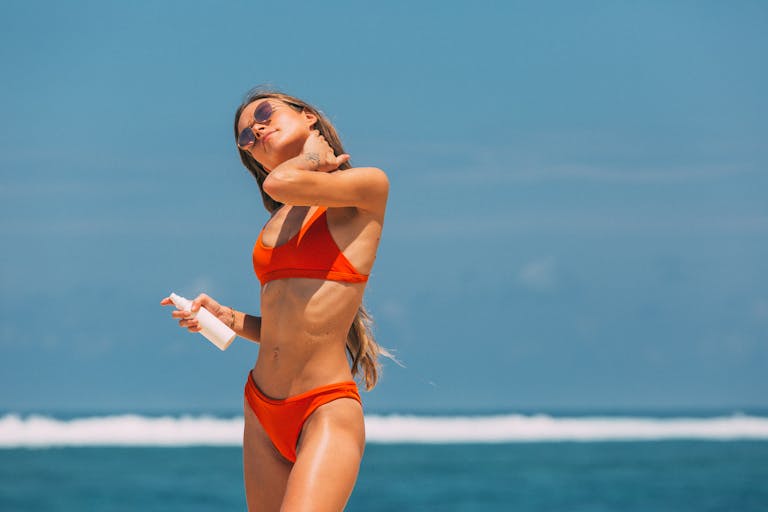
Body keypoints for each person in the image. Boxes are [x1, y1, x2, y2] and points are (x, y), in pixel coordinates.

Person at [160, 88, 391, 511]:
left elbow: (281, 182)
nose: (258, 129)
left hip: (324, 407)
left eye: (265, 115)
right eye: (247, 138)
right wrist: (227, 317)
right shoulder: (279, 219)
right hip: (261, 407)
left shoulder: (366, 188)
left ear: (308, 116)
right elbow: (289, 327)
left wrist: (310, 162)